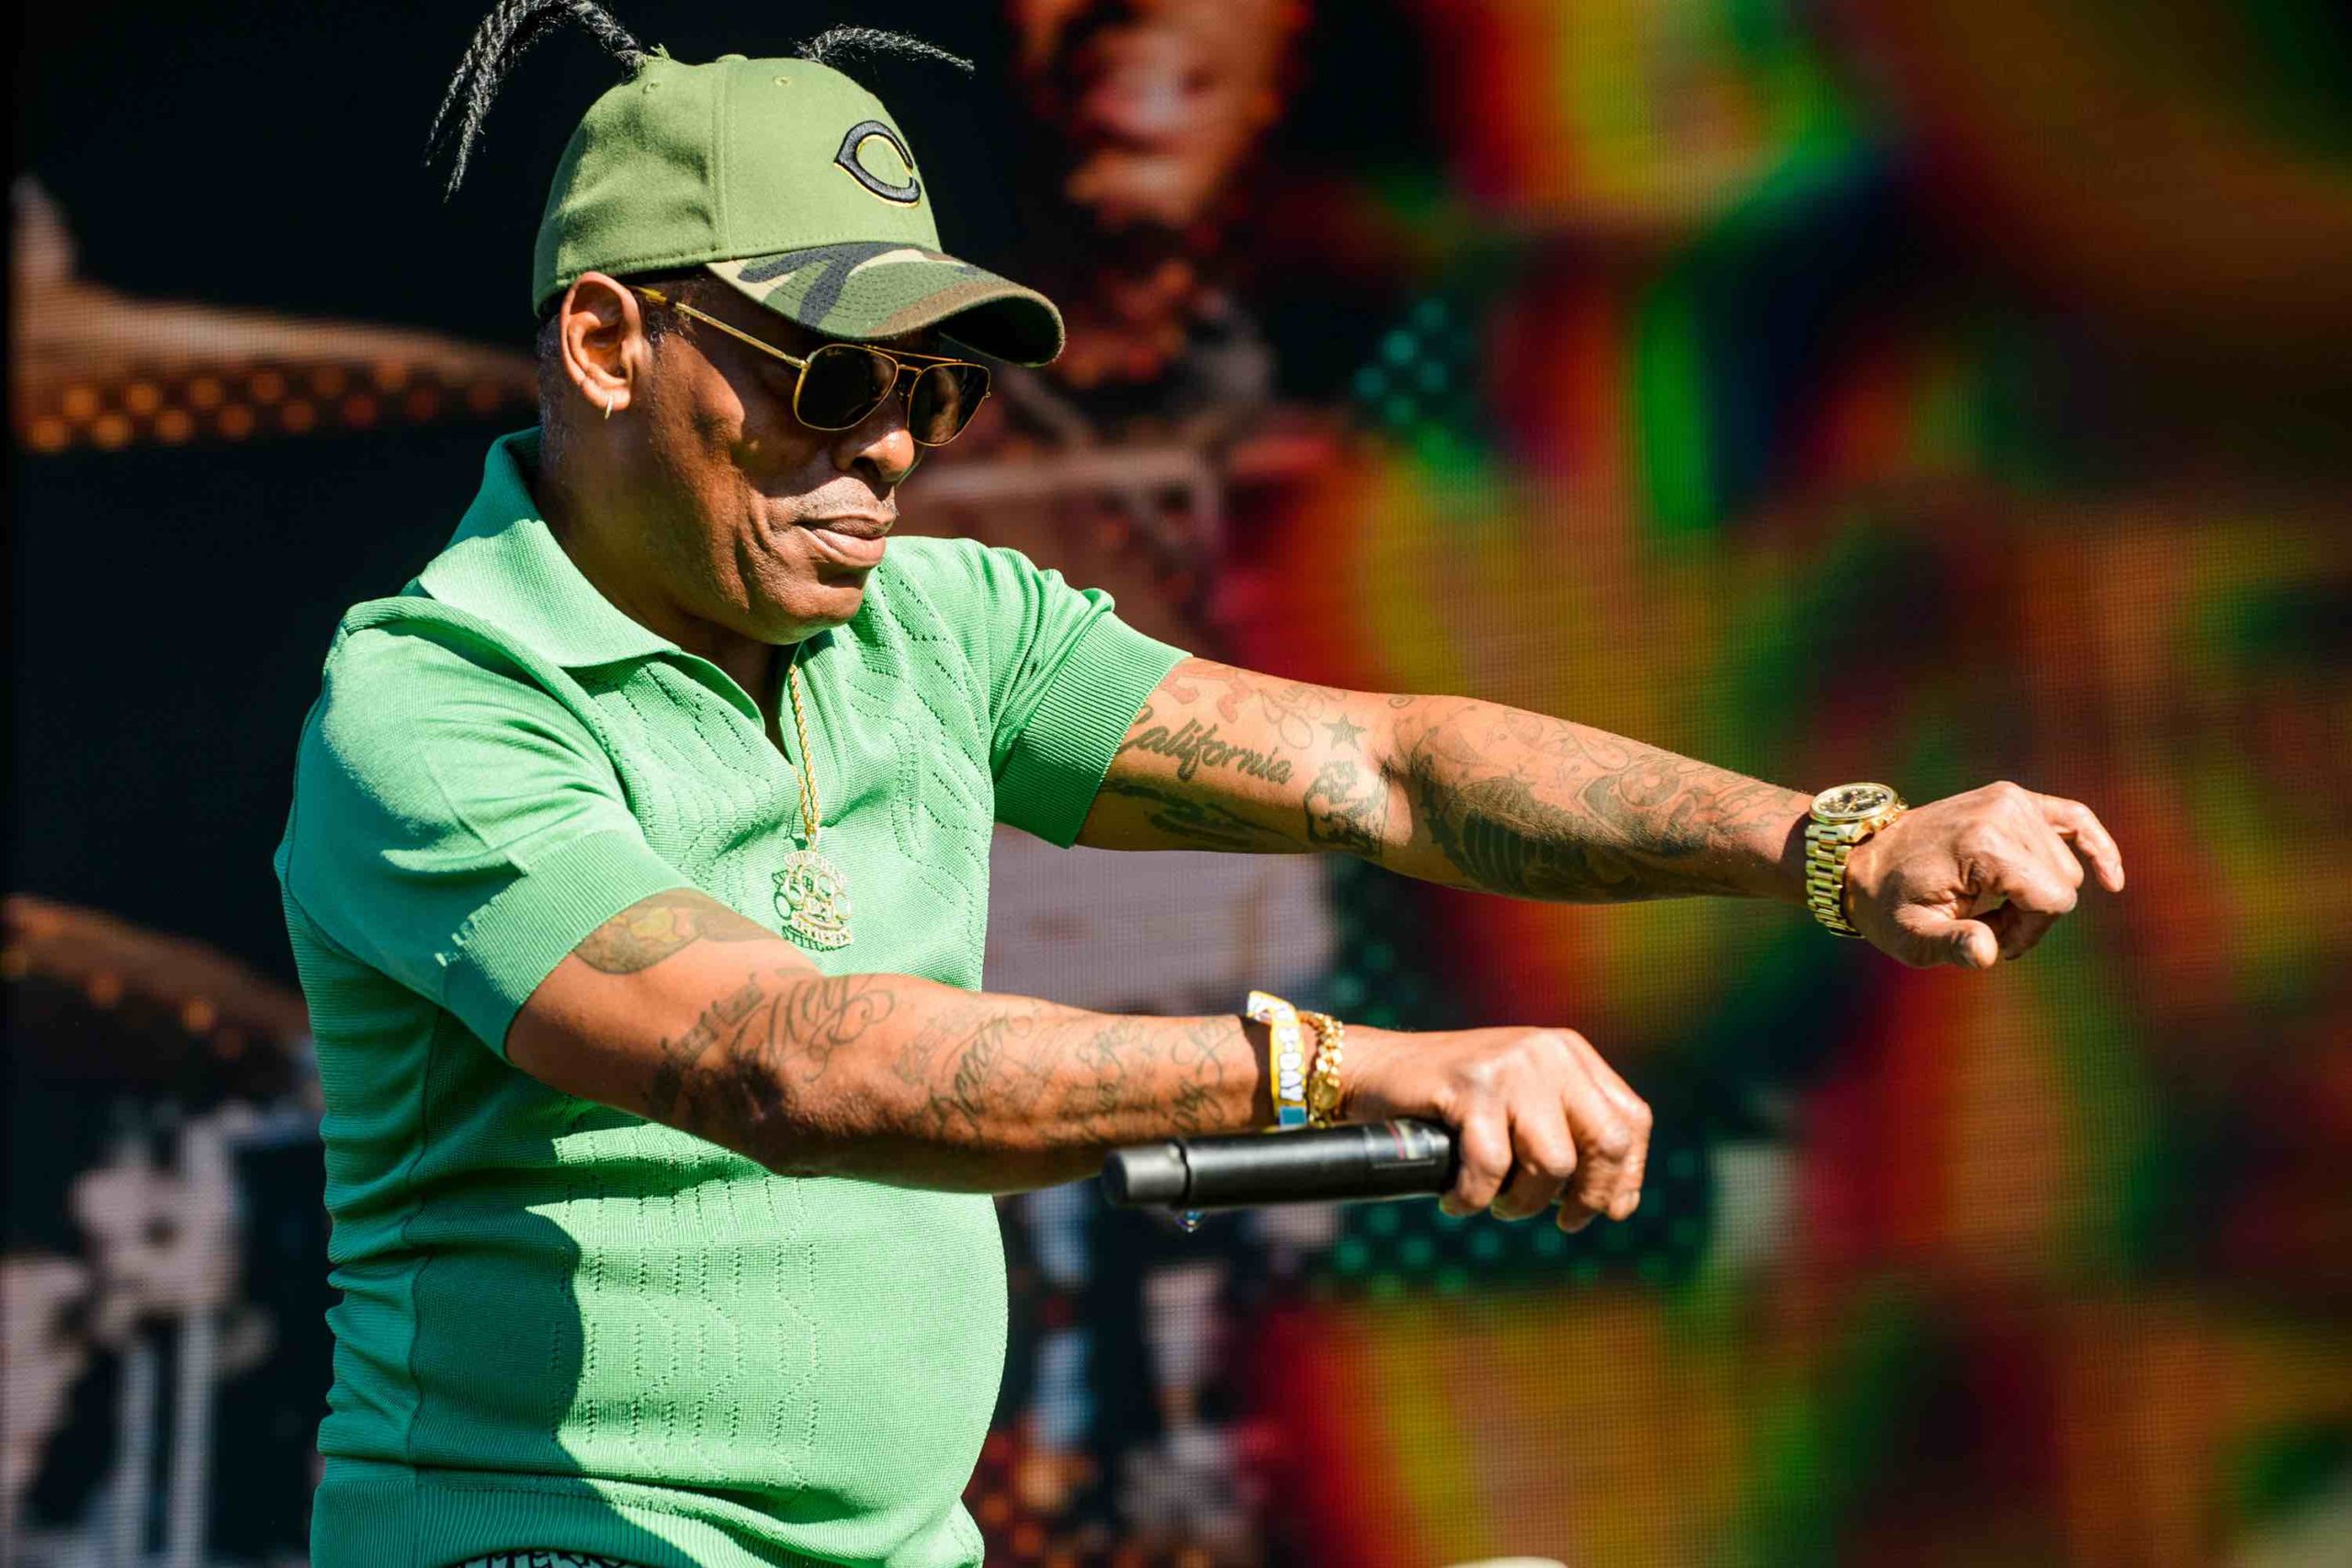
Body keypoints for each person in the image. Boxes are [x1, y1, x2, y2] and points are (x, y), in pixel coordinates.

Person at [272, 7, 2129, 1567]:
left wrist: (1833, 842)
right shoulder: (435, 699)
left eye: (933, 390)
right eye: (828, 376)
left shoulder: (943, 621)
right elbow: (788, 1060)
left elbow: (1383, 766)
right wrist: (1331, 1062)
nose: (893, 447)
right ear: (605, 343)